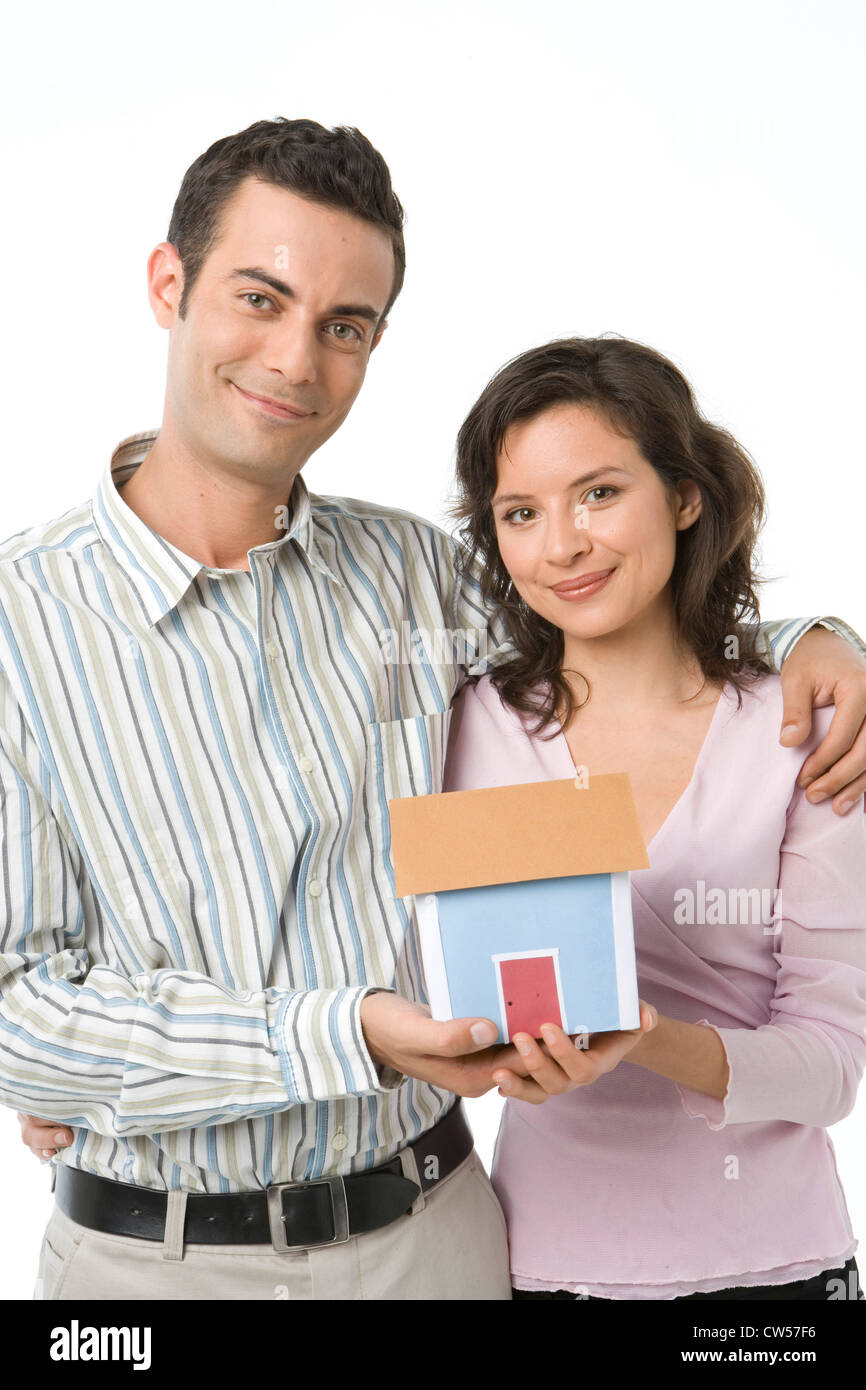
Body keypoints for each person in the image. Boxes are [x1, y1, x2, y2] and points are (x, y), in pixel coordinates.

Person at [5, 120, 866, 1303]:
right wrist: (337, 1032)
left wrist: (818, 641)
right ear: (169, 284)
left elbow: (607, 607)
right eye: (259, 297)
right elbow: (15, 1009)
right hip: (145, 1268)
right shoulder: (17, 622)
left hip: (440, 1239)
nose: (296, 359)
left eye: (343, 326)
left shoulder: (414, 579)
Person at [442, 335, 866, 1300]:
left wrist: (644, 1038)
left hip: (775, 1274)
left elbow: (836, 1067)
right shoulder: (461, 729)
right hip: (545, 1266)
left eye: (599, 493)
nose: (562, 545)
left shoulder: (806, 728)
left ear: (684, 495)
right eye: (521, 512)